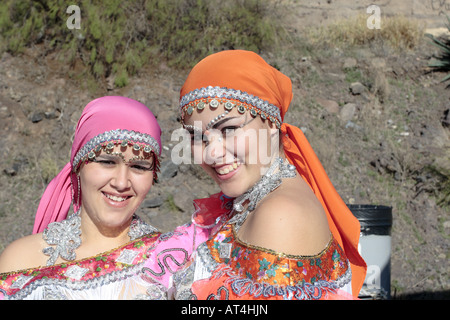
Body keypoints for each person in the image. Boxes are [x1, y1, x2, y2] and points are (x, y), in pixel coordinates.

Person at [172, 50, 367, 300]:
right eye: (198, 137)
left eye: (229, 129)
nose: (212, 153)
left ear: (272, 124)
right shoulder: (253, 199)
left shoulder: (281, 215)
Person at [0, 96, 205, 300]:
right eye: (107, 162)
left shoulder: (172, 260)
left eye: (138, 167)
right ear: (78, 165)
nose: (122, 182)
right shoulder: (21, 258)